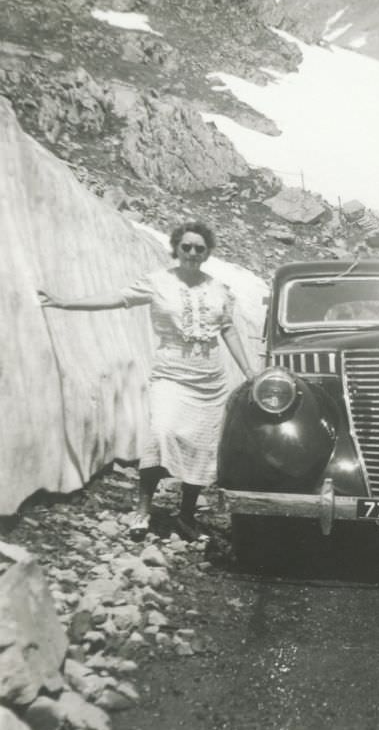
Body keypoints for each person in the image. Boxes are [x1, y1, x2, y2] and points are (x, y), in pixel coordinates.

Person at [38, 220, 256, 542]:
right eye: (186, 247)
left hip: (210, 380)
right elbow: (117, 297)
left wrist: (250, 372)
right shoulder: (157, 283)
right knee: (160, 433)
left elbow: (228, 330)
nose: (192, 253)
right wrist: (66, 302)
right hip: (170, 374)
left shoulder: (218, 289)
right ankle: (142, 510)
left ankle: (186, 514)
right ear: (176, 249)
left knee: (201, 446)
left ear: (207, 252)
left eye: (199, 248)